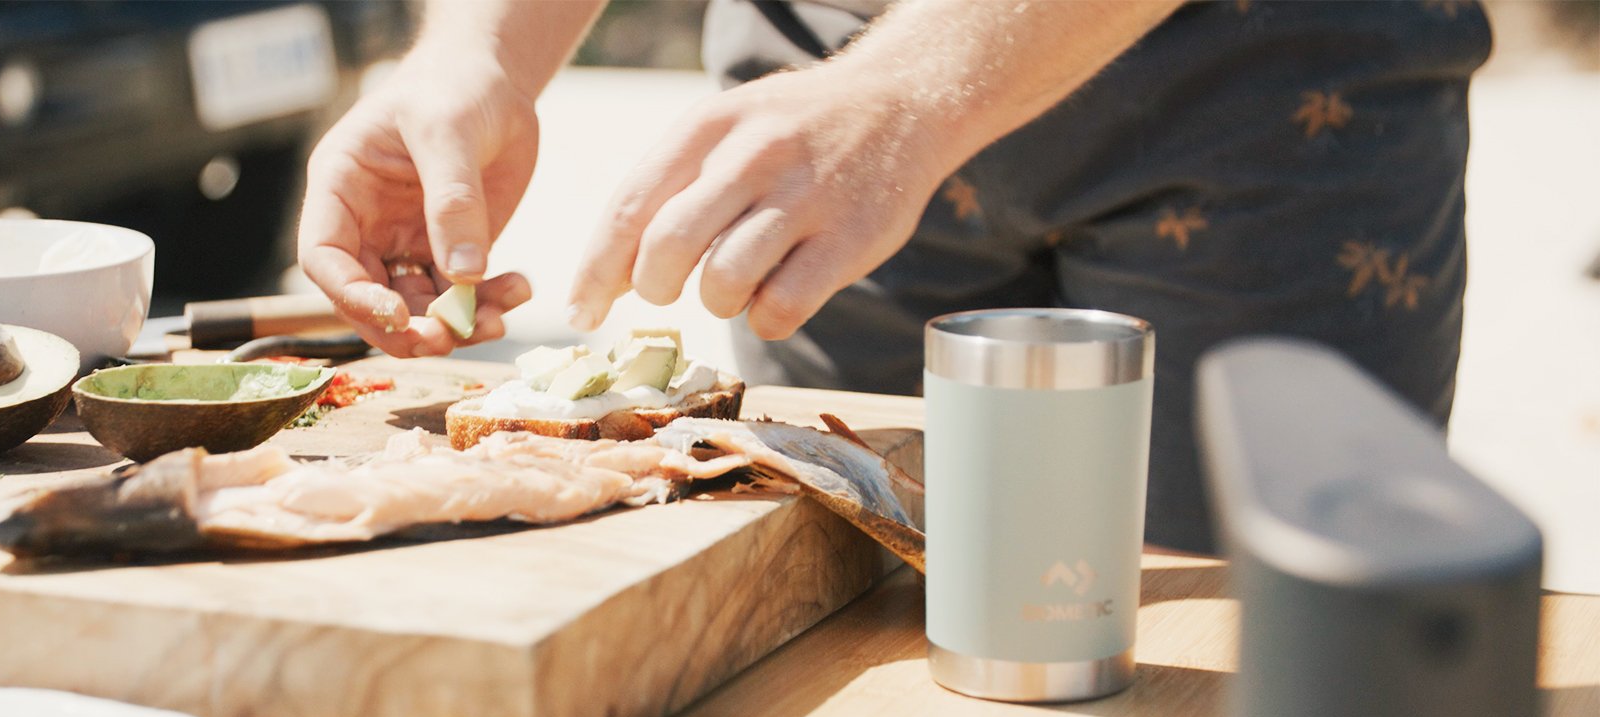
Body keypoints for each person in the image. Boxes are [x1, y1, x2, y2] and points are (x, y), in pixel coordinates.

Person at [295, 0, 1489, 553]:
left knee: (1252, 672)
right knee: (824, 627)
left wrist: (909, 98)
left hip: (1272, 103)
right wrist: (478, 50)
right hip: (822, 99)